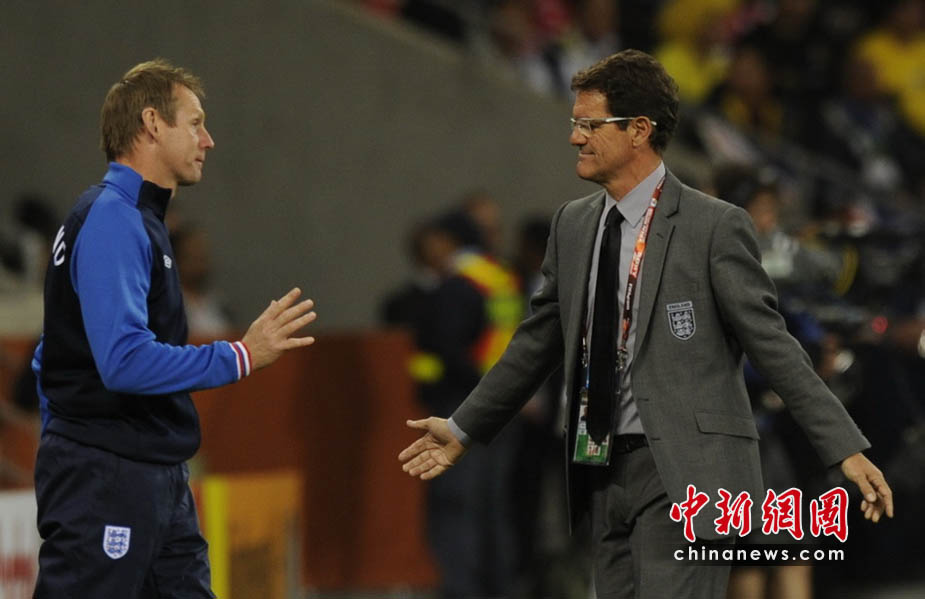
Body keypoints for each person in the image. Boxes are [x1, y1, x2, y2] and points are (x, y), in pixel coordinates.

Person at [399, 49, 893, 599]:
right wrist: (464, 427)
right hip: (600, 466)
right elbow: (536, 342)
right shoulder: (572, 225)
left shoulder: (714, 226)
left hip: (689, 472)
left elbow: (772, 343)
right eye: (575, 123)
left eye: (590, 125)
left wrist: (843, 446)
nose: (575, 137)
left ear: (639, 129)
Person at [31, 58, 318, 598]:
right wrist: (240, 355)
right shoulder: (114, 218)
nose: (208, 140)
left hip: (145, 470)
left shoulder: (132, 217)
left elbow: (52, 352)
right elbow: (123, 361)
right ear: (152, 124)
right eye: (195, 123)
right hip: (109, 475)